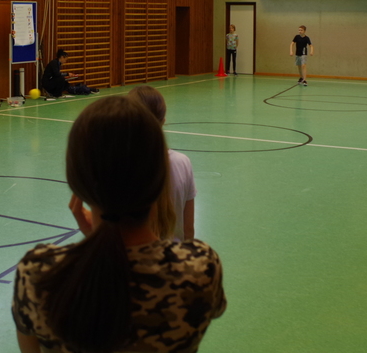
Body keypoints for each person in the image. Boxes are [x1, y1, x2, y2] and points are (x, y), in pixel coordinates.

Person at [12, 96, 225, 353]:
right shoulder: (199, 268)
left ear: (77, 181)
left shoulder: (39, 273)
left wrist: (99, 239)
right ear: (160, 179)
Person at [128, 85, 196, 241]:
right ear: (163, 121)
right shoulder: (182, 163)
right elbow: (188, 229)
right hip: (175, 253)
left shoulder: (117, 166)